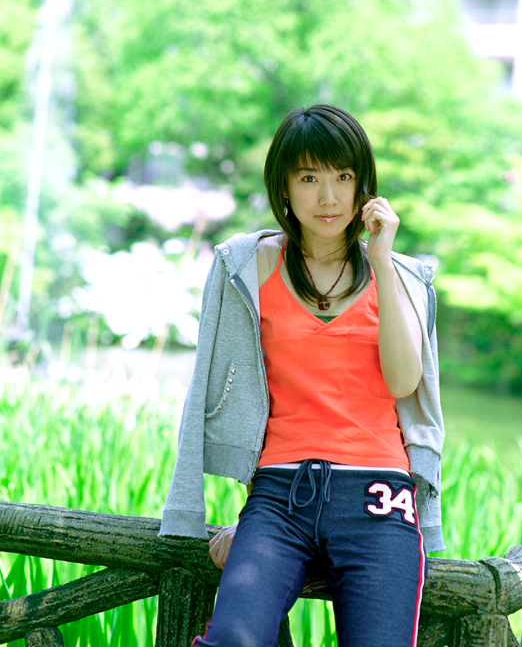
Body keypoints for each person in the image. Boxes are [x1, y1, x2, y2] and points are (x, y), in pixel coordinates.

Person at [159, 104, 445, 647]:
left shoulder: (401, 276)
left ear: (363, 185)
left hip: (377, 498)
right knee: (232, 639)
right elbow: (224, 393)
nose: (329, 197)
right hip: (279, 493)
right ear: (285, 187)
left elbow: (403, 383)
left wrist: (382, 261)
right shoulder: (249, 265)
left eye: (344, 177)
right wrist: (251, 525)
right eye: (309, 178)